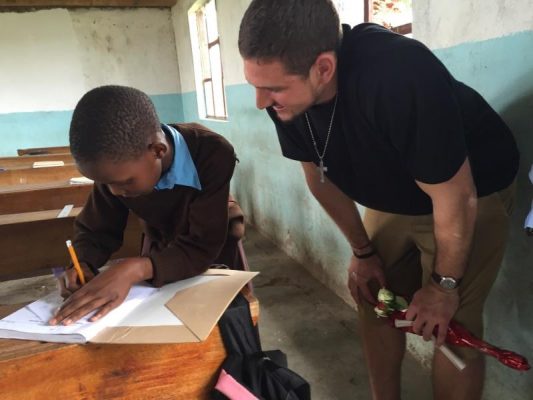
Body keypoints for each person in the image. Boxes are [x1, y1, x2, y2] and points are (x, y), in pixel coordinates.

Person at [238, 1, 519, 399]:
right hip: (396, 193)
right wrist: (362, 252)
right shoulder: (284, 98)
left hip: (468, 192)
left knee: (454, 330)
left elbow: (456, 195)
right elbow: (319, 179)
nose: (261, 102)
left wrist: (443, 287)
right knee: (373, 298)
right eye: (255, 84)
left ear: (323, 68)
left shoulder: (399, 75)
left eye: (274, 88)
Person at [50, 85, 242, 326]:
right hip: (161, 250)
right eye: (104, 183)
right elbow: (97, 229)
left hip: (214, 249)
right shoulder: (116, 170)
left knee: (223, 323)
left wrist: (134, 269)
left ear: (158, 151)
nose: (114, 192)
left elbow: (203, 245)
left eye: (124, 183)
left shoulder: (213, 153)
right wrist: (83, 262)